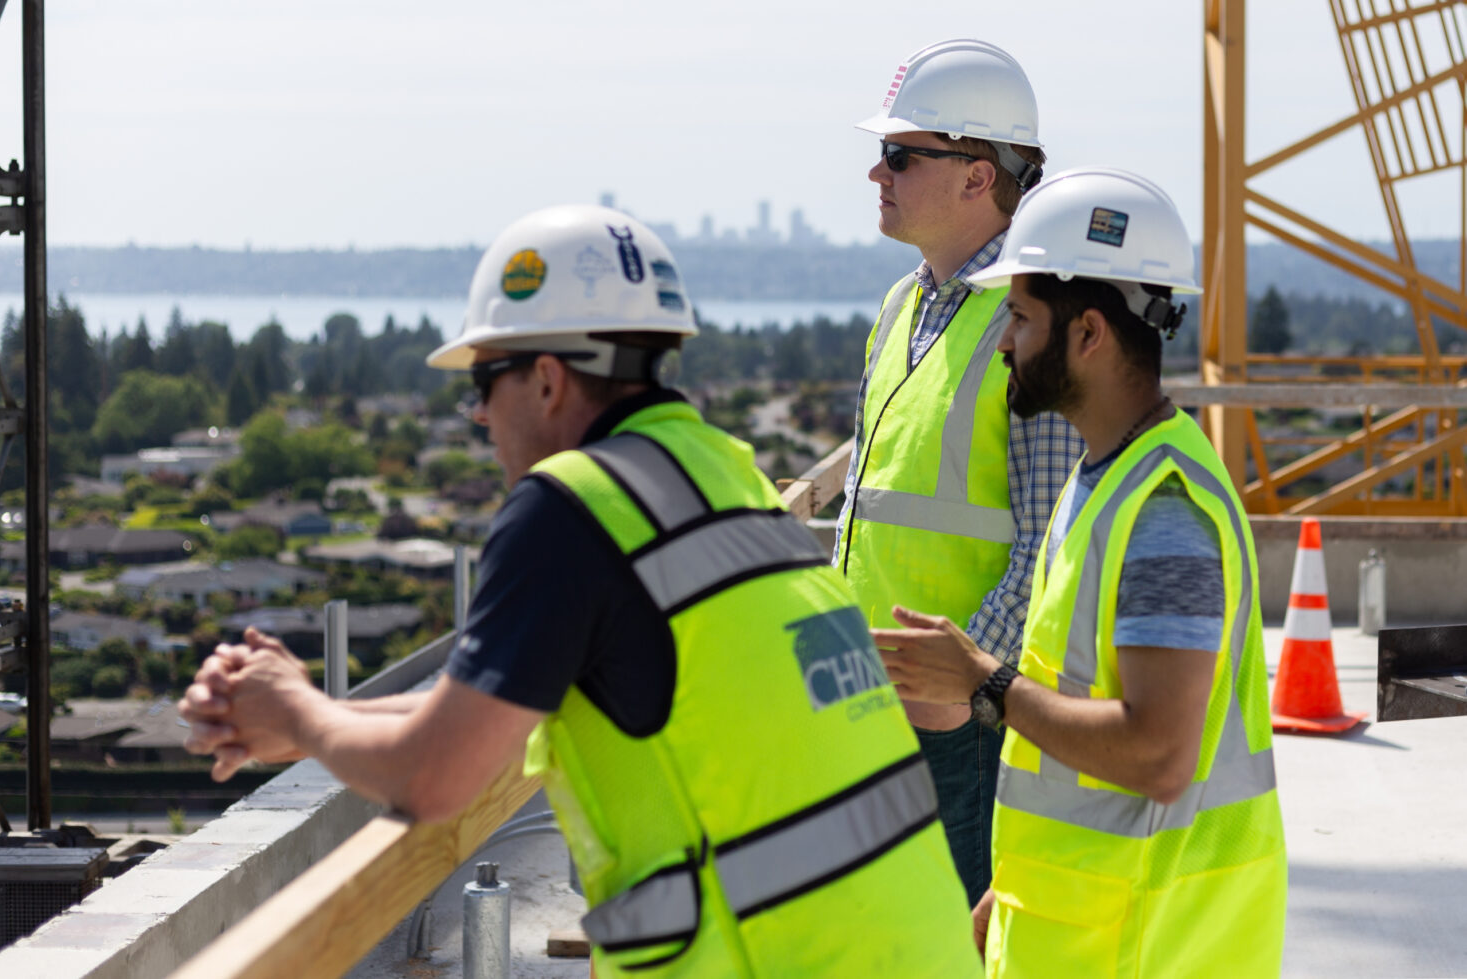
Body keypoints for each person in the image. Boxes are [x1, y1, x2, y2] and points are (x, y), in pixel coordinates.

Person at [181, 205, 982, 978]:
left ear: (548, 380)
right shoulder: (727, 477)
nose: (478, 417)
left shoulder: (571, 509)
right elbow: (502, 708)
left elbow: (436, 775)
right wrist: (314, 719)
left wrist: (300, 713)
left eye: (483, 382)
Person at [873, 168, 1288, 975]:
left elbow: (1158, 754)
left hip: (1145, 942)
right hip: (1085, 925)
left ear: (1088, 334)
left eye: (1020, 320)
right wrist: (1005, 893)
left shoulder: (1165, 512)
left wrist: (982, 681)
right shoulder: (1100, 480)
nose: (1001, 343)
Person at [836, 37, 1086, 905]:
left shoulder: (1035, 317)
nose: (878, 173)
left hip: (960, 724)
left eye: (902, 156)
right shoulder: (903, 303)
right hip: (870, 703)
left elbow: (1051, 537)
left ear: (980, 177)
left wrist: (969, 691)